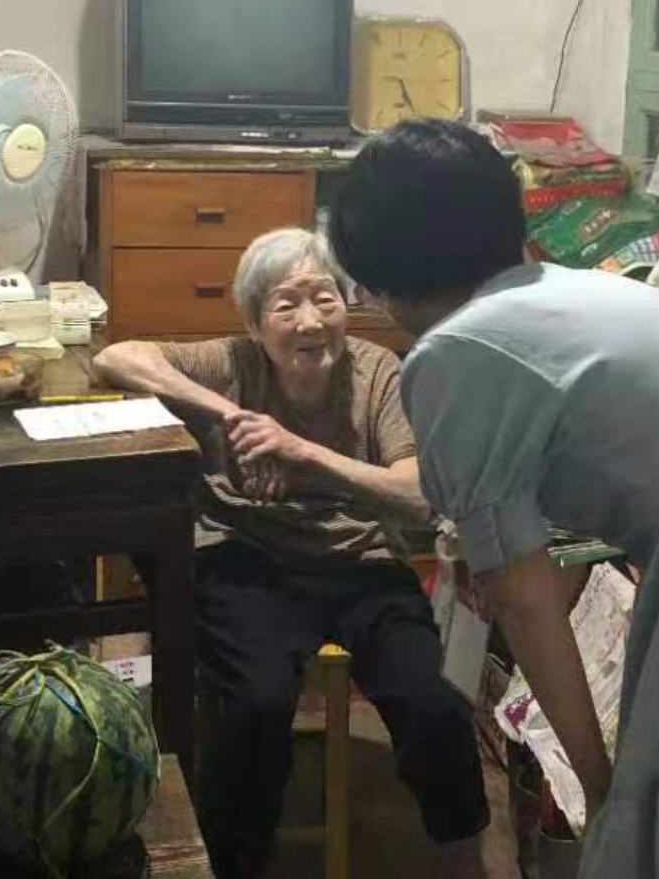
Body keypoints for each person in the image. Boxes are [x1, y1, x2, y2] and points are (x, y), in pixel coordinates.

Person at [328, 119, 659, 879]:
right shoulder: (565, 287)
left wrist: (598, 783)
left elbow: (524, 597)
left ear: (380, 268)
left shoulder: (453, 351)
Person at [94, 227, 491, 879]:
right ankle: (234, 864)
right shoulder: (232, 362)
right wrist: (232, 416)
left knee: (435, 702)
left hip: (361, 562)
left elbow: (418, 496)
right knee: (256, 703)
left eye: (325, 297)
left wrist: (302, 452)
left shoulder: (378, 370)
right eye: (287, 304)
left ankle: (464, 861)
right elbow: (117, 357)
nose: (311, 320)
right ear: (255, 324)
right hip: (246, 558)